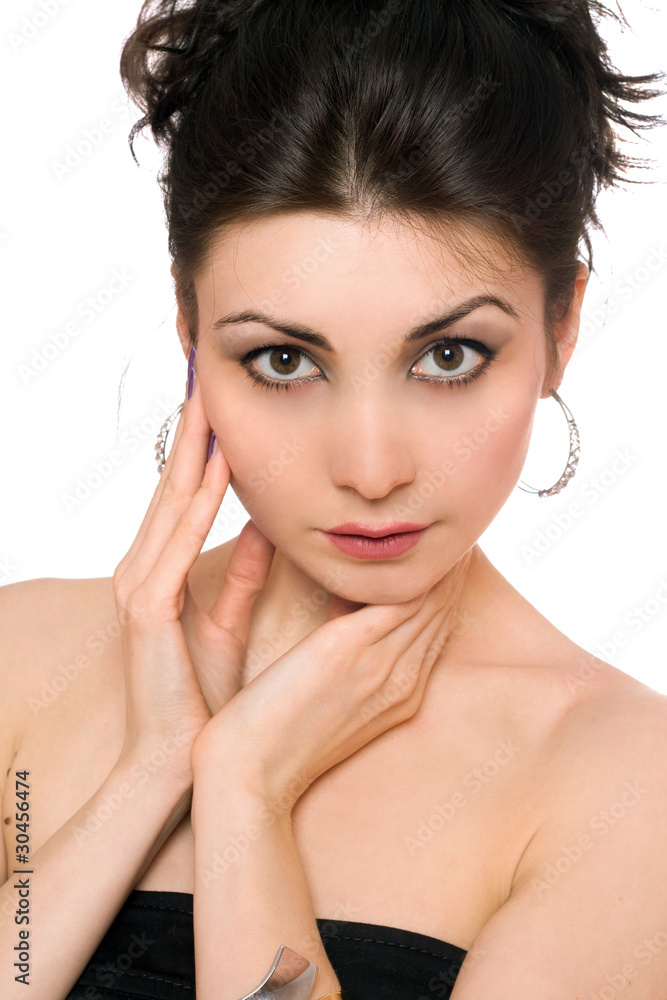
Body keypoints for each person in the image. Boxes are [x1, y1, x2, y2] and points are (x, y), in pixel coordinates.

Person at [1, 1, 666, 998]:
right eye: (284, 360)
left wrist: (246, 792)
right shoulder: (20, 657)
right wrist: (150, 774)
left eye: (448, 356)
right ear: (189, 326)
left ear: (561, 326)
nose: (370, 468)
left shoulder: (628, 782)